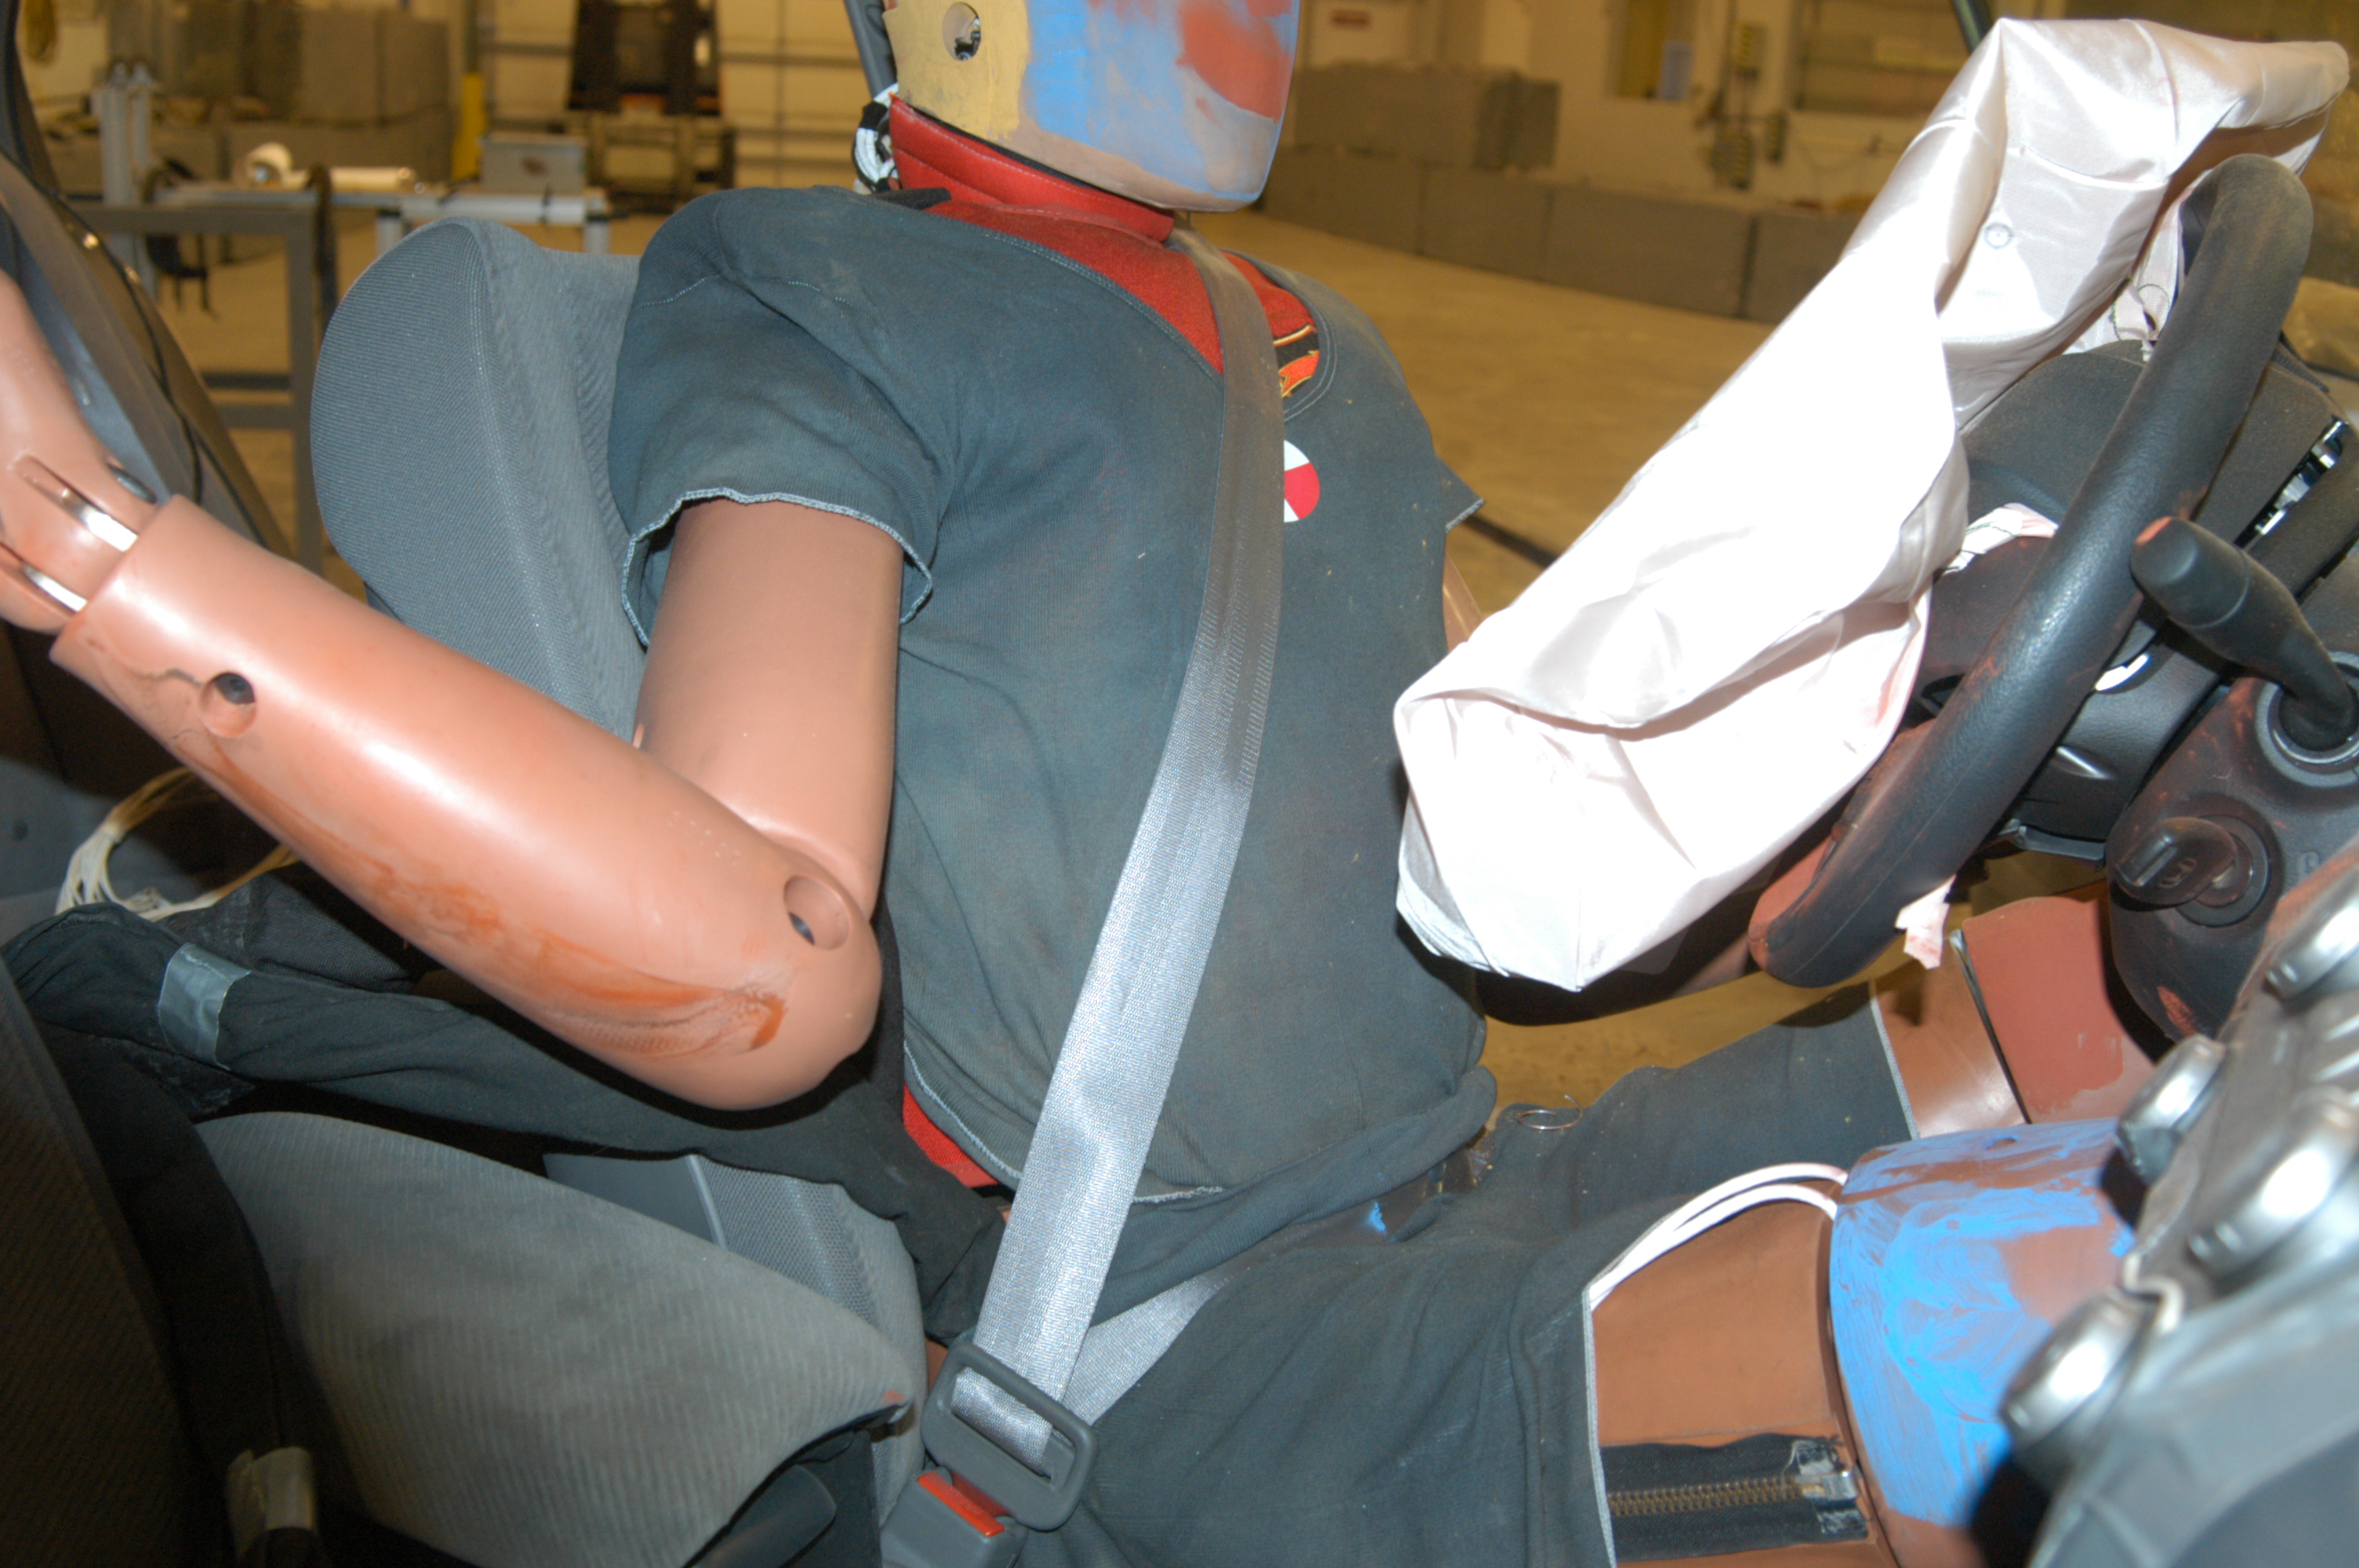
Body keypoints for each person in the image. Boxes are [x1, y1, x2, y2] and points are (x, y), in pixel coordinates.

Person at [0, 0, 2120, 1559]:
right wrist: (87, 548)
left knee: (2120, 1015)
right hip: (1180, 1340)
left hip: (1472, 1166)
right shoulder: (819, 285)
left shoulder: (1323, 340)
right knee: (2048, 1326)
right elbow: (768, 952)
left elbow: (1527, 850)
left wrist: (1910, 717)